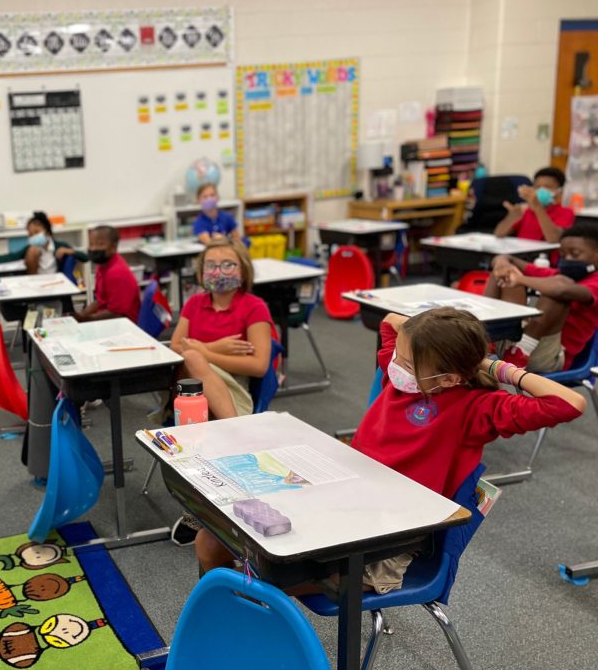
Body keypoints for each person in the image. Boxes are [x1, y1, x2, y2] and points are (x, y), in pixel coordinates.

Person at [196, 307, 585, 578]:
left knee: (268, 567)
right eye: (398, 357)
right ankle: (225, 626)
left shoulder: (476, 409)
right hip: (342, 500)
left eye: (407, 362)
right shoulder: (398, 376)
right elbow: (389, 323)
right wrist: (432, 340)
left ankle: (249, 640)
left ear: (450, 378)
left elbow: (569, 403)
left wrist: (492, 366)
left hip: (389, 535)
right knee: (211, 540)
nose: (393, 365)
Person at [169, 237, 273, 555]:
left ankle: (231, 435)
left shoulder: (254, 306)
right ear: (201, 272)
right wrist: (212, 348)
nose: (219, 271)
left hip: (233, 392)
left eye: (228, 264)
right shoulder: (193, 304)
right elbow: (175, 346)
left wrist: (200, 352)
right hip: (189, 387)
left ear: (243, 269)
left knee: (194, 360)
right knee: (192, 361)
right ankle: (233, 450)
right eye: (211, 265)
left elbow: (258, 365)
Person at [485, 220, 598, 371]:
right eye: (563, 255)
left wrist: (520, 279)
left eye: (575, 254)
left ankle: (522, 352)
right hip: (514, 342)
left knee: (559, 286)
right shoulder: (558, 274)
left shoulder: (591, 282)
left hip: (550, 357)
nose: (567, 259)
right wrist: (502, 264)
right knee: (505, 272)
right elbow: (506, 257)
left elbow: (562, 290)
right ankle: (486, 338)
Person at [72, 225, 140, 322]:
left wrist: (86, 319)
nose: (94, 248)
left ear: (113, 247)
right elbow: (101, 300)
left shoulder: (116, 273)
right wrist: (82, 314)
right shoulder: (102, 266)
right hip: (110, 319)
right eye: (91, 244)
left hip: (124, 325)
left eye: (100, 244)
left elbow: (116, 313)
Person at [0, 211, 73, 275]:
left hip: (57, 284)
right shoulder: (31, 248)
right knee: (32, 251)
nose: (32, 236)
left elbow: (84, 257)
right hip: (38, 284)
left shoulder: (59, 246)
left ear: (46, 230)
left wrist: (68, 251)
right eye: (30, 234)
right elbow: (11, 257)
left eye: (36, 232)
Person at [493, 166, 575, 243]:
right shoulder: (526, 211)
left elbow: (554, 238)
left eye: (547, 187)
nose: (540, 190)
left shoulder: (566, 212)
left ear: (560, 191)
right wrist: (512, 217)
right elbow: (499, 234)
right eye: (537, 187)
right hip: (520, 254)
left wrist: (537, 207)